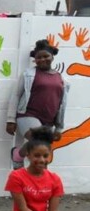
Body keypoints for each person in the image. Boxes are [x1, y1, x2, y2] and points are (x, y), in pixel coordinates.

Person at [6, 39, 70, 169]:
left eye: (46, 56)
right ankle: (20, 159)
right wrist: (11, 119)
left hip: (49, 120)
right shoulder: (28, 74)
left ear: (52, 57)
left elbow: (62, 105)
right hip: (27, 114)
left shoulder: (61, 79)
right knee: (39, 140)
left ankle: (19, 155)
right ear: (35, 60)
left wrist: (59, 128)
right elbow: (16, 95)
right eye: (38, 57)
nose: (42, 59)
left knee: (43, 145)